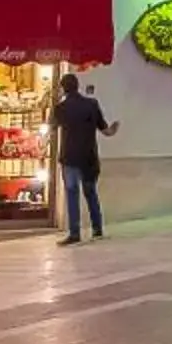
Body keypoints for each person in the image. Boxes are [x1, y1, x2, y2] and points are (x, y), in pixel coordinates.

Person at [49, 73, 117, 246]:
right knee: (91, 192)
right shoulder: (92, 105)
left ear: (63, 88)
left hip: (69, 157)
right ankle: (97, 229)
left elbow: (51, 127)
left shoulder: (61, 108)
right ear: (78, 86)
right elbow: (106, 130)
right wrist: (114, 129)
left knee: (72, 194)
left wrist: (55, 101)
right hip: (89, 157)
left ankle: (74, 233)